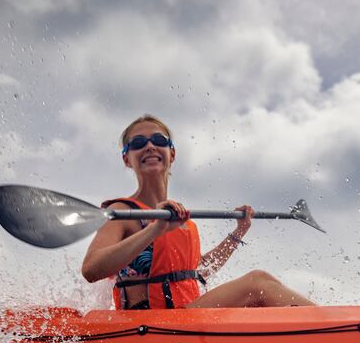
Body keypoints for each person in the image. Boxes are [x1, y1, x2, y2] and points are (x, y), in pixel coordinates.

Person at [82, 114, 315, 309]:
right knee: (257, 281)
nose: (150, 146)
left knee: (264, 288)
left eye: (158, 140)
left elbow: (199, 270)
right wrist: (155, 230)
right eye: (138, 143)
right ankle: (345, 330)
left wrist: (238, 233)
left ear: (171, 153)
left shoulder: (180, 219)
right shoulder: (123, 211)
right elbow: (92, 269)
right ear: (126, 158)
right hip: (149, 325)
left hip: (185, 318)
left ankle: (328, 333)